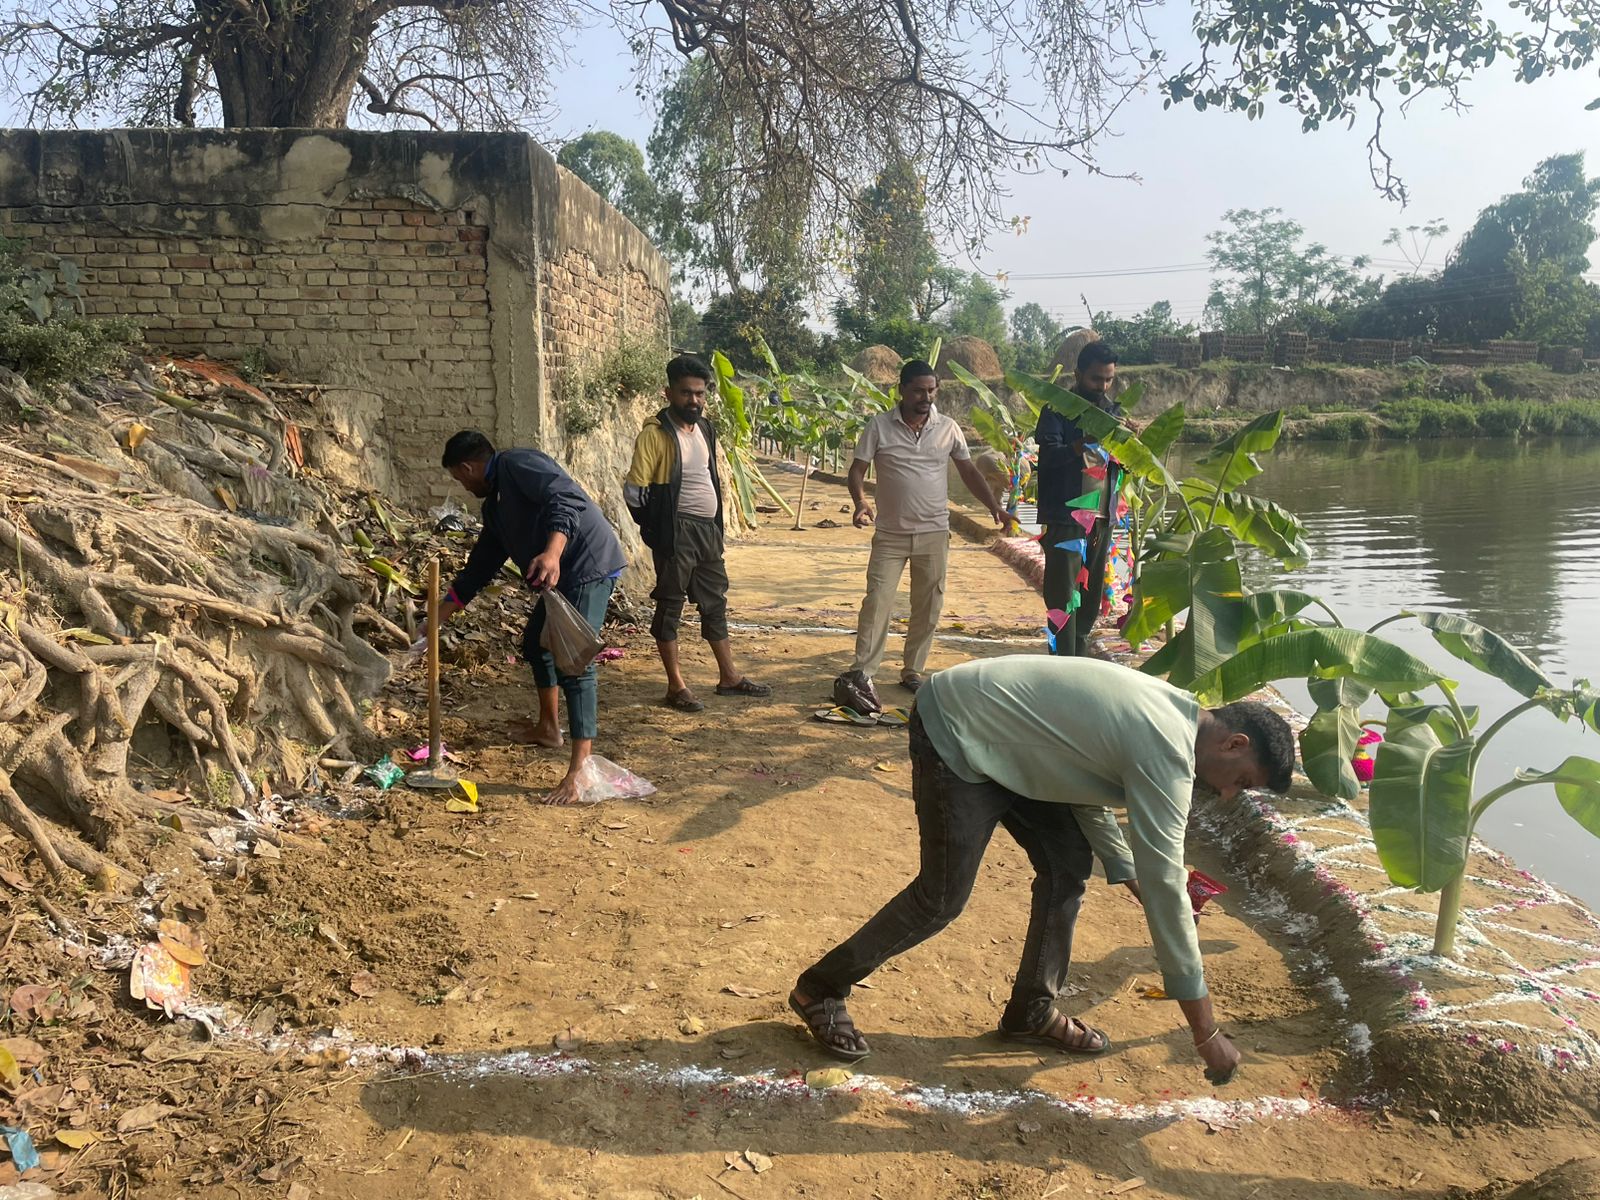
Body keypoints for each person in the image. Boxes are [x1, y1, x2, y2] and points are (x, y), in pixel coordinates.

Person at [790, 655, 1296, 1083]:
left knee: (1067, 866)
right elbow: (1168, 889)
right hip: (959, 728)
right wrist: (1205, 1033)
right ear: (1235, 744)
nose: (1229, 794)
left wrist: (1133, 878)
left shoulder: (1175, 722)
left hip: (1012, 744)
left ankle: (1031, 1011)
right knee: (941, 896)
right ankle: (821, 987)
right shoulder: (1165, 747)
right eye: (1242, 782)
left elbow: (1085, 785)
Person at [433, 430, 626, 805]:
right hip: (559, 579)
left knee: (575, 661)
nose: (463, 486)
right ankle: (549, 728)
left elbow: (566, 498)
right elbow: (479, 569)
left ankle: (580, 772)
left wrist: (552, 553)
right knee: (536, 647)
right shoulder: (496, 509)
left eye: (460, 479)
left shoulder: (518, 463)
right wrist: (436, 617)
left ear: (467, 467)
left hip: (586, 567)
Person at [832, 360, 1006, 715]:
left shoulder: (948, 428)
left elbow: (969, 471)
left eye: (931, 390)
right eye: (918, 390)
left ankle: (913, 670)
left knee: (928, 606)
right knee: (877, 601)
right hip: (890, 535)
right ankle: (863, 671)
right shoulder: (879, 427)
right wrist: (861, 502)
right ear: (901, 390)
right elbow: (857, 470)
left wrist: (994, 508)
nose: (926, 397)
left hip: (934, 532)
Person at [625, 354, 771, 712]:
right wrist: (657, 529)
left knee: (715, 602)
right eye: (686, 393)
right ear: (669, 393)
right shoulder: (655, 436)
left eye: (700, 394)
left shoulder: (705, 428)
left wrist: (715, 526)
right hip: (676, 533)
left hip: (708, 532)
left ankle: (729, 677)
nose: (694, 401)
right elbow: (634, 491)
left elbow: (709, 477)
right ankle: (676, 686)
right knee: (671, 605)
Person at [1034, 342, 1123, 657]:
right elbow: (1047, 459)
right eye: (1096, 379)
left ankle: (1080, 659)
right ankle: (1060, 662)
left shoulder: (1113, 411)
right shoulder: (1056, 410)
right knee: (1062, 596)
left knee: (1090, 595)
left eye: (1109, 379)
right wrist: (1079, 446)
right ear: (1078, 374)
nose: (1103, 386)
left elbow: (1120, 464)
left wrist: (1127, 449)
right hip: (1066, 517)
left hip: (1101, 516)